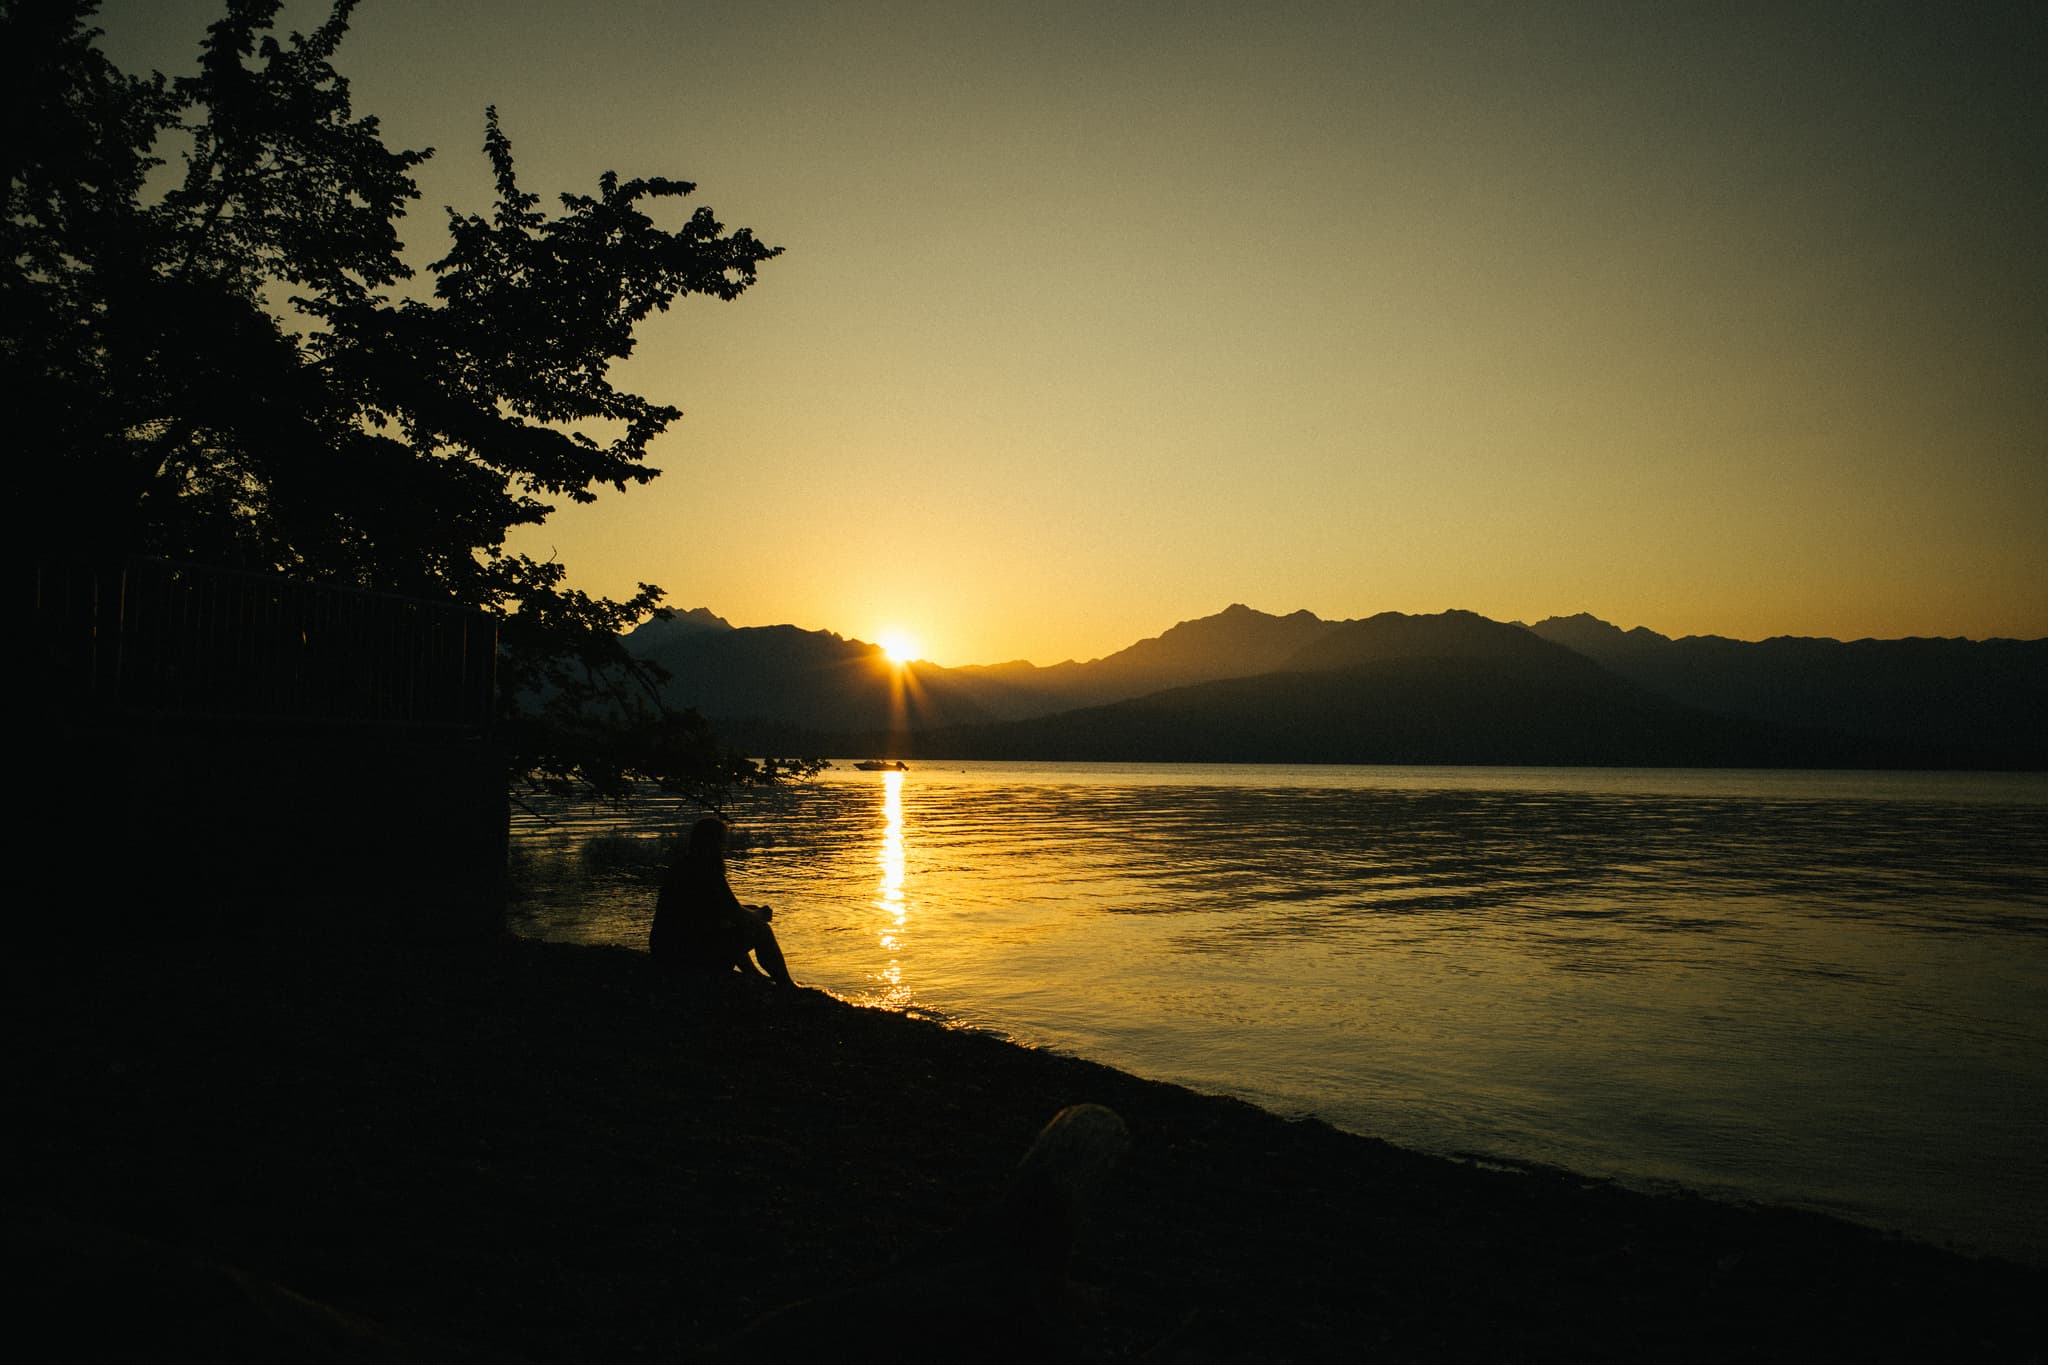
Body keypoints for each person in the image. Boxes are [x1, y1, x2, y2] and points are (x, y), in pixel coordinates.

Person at [650, 816, 796, 986]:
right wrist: (759, 915)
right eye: (722, 842)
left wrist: (753, 912)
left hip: (665, 949)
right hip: (685, 955)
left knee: (748, 914)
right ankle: (786, 985)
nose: (724, 848)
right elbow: (734, 912)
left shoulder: (682, 865)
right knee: (760, 928)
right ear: (712, 843)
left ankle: (753, 974)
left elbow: (721, 911)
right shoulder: (706, 871)